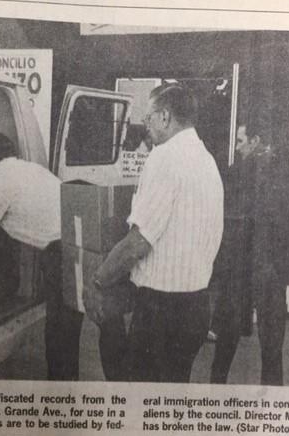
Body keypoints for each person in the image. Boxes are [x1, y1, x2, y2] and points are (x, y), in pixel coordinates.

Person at [87, 84, 224, 383]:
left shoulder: (164, 158)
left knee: (137, 404)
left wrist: (98, 281)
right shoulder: (207, 160)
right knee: (168, 402)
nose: (145, 126)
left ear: (164, 117)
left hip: (162, 313)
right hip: (197, 307)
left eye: (147, 118)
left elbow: (139, 242)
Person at [0, 131, 126, 381]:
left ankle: (60, 393)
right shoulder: (32, 169)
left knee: (60, 329)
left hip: (61, 252)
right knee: (100, 321)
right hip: (86, 239)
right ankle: (124, 387)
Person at [209, 125, 289, 386]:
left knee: (225, 349)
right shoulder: (288, 177)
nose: (237, 147)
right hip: (272, 276)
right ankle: (273, 409)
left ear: (256, 140)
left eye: (241, 140)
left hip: (238, 275)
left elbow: (217, 225)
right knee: (271, 352)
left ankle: (214, 398)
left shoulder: (233, 176)